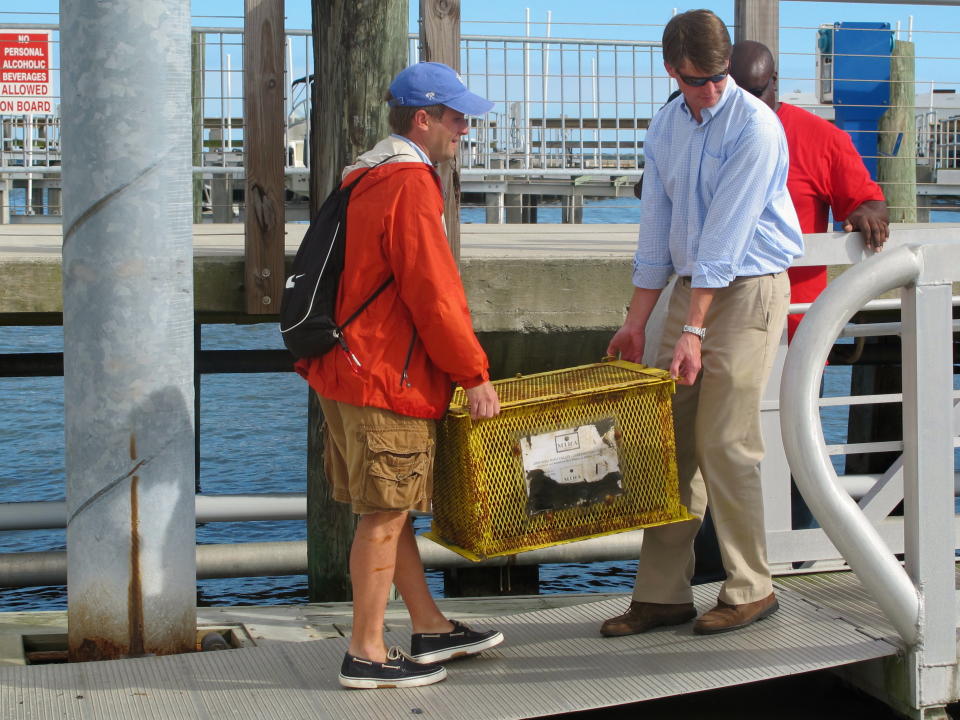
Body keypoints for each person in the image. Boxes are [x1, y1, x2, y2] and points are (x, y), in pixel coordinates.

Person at [295, 61, 504, 689]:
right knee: (385, 514)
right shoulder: (411, 183)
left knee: (390, 506)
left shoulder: (367, 173)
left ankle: (429, 626)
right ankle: (366, 653)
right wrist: (474, 375)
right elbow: (433, 295)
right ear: (424, 119)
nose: (465, 128)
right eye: (457, 117)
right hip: (386, 375)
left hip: (345, 366)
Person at [601, 10, 803, 637]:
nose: (712, 90)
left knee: (724, 440)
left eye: (719, 77)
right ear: (672, 71)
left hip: (748, 291)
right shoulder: (665, 125)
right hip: (695, 291)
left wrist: (691, 331)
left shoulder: (756, 127)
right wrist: (636, 322)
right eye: (698, 80)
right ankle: (663, 595)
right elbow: (657, 235)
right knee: (667, 443)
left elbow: (725, 239)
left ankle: (752, 586)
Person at [729, 40, 889, 341]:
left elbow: (871, 203)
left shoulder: (822, 138)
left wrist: (866, 215)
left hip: (793, 327)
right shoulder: (707, 129)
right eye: (736, 95)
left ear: (774, 81)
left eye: (756, 93)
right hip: (719, 324)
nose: (748, 105)